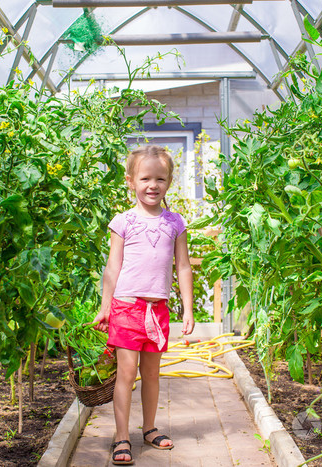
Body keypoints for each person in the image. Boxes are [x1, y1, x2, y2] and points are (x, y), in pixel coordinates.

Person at [93, 145, 195, 465]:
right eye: (145, 178)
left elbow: (183, 267)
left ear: (169, 182)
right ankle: (122, 436)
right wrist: (105, 306)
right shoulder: (122, 222)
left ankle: (148, 428)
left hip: (157, 310)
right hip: (126, 308)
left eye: (160, 179)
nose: (153, 185)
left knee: (152, 374)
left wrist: (188, 308)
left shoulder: (175, 222)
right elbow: (113, 267)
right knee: (126, 374)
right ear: (131, 181)